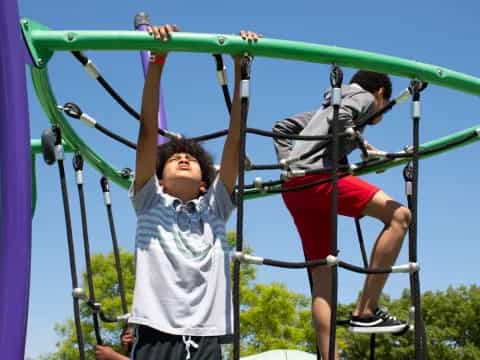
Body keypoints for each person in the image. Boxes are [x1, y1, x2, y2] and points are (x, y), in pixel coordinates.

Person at [129, 24, 260, 360]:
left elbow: (235, 142)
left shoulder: (214, 208)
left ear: (205, 183)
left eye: (190, 158)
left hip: (207, 335)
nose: (183, 157)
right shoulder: (149, 202)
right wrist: (157, 64)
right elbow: (146, 136)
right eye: (173, 158)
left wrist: (241, 70)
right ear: (158, 179)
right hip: (155, 332)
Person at [273, 70, 410, 359]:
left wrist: (289, 165)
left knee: (324, 274)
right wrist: (362, 146)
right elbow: (343, 120)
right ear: (382, 94)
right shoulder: (363, 96)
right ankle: (366, 309)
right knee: (400, 216)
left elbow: (282, 127)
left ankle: (329, 355)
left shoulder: (322, 110)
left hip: (295, 188)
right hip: (321, 179)